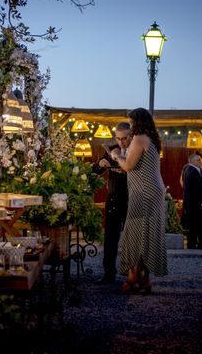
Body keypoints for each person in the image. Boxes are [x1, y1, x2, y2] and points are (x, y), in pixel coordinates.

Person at [111, 107, 168, 294]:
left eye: (132, 122)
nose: (131, 125)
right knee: (147, 234)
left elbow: (128, 165)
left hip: (143, 191)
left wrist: (116, 156)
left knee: (133, 233)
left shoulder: (138, 138)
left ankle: (133, 280)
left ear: (138, 122)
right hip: (154, 190)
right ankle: (144, 280)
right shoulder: (151, 140)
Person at [92, 121, 131, 284]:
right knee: (110, 239)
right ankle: (109, 273)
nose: (121, 142)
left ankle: (133, 275)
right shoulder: (112, 149)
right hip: (114, 198)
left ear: (131, 136)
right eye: (118, 138)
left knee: (133, 239)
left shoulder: (136, 150)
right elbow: (95, 169)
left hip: (132, 198)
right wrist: (100, 164)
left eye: (124, 138)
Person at [182, 153, 202, 250]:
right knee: (199, 224)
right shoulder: (193, 171)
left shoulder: (189, 170)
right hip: (196, 203)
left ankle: (192, 243)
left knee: (194, 224)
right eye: (199, 160)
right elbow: (196, 189)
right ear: (193, 161)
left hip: (192, 203)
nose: (201, 161)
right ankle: (201, 244)